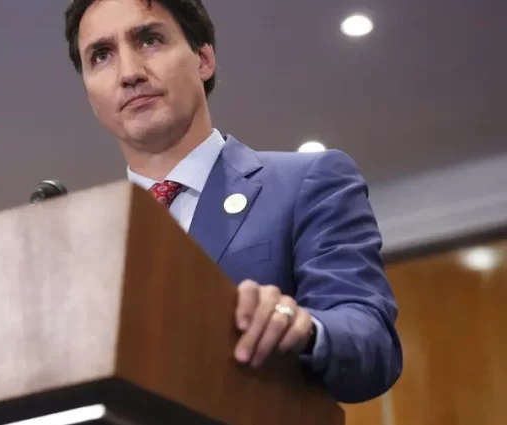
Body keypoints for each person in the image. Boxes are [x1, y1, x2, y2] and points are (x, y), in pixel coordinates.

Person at [63, 0, 402, 403]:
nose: (129, 73)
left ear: (203, 59)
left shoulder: (309, 181)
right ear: (88, 92)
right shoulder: (81, 243)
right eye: (101, 55)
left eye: (150, 40)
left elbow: (371, 340)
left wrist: (303, 328)